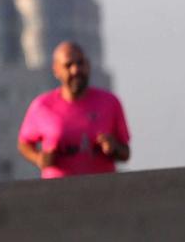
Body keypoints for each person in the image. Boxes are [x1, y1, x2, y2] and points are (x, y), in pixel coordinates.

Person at [18, 40, 130, 179]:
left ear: (88, 65)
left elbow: (125, 153)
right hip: (58, 192)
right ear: (56, 70)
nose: (75, 70)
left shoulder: (110, 103)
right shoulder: (42, 105)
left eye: (80, 63)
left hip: (101, 190)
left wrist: (114, 148)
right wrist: (40, 158)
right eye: (68, 65)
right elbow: (24, 143)